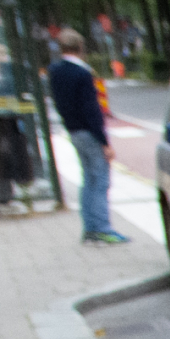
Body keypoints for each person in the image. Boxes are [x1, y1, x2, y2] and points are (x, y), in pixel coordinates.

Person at [47, 29, 126, 244]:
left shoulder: (55, 71)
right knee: (100, 179)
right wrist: (104, 141)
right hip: (89, 131)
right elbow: (92, 109)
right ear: (81, 48)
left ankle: (89, 227)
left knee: (87, 179)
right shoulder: (83, 73)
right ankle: (103, 227)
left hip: (73, 130)